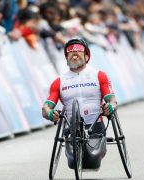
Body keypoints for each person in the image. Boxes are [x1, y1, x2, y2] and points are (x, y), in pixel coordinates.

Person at [42, 38, 118, 168]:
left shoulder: (99, 75)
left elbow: (112, 100)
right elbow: (46, 108)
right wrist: (50, 114)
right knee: (74, 164)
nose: (74, 54)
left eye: (78, 51)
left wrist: (110, 107)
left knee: (92, 163)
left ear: (86, 55)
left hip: (95, 126)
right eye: (70, 52)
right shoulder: (59, 81)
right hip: (72, 129)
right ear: (66, 57)